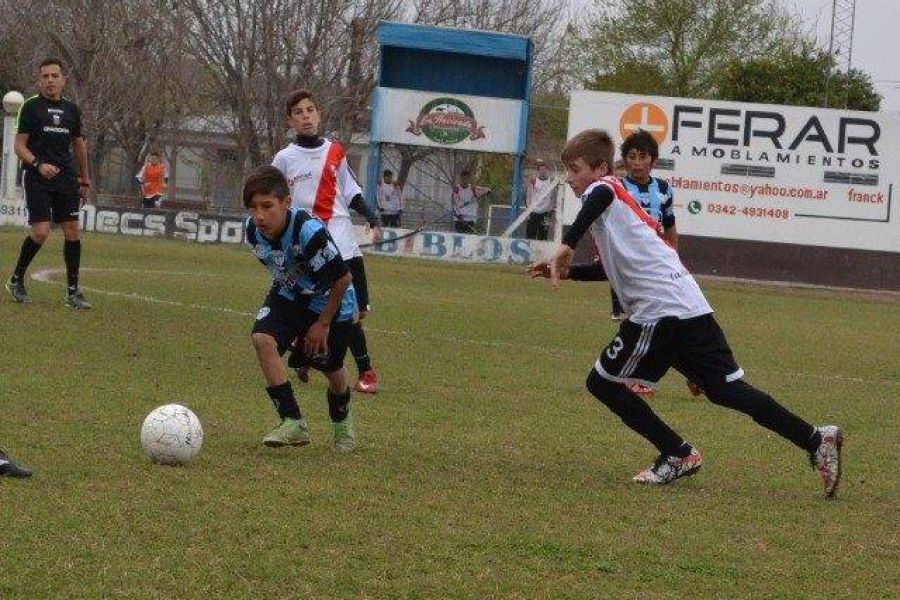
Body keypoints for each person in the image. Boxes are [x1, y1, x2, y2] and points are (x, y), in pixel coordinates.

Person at [528, 128, 843, 497]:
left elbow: (599, 195)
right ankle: (816, 438)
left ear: (599, 169)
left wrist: (566, 245)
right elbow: (611, 269)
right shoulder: (612, 209)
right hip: (687, 305)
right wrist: (571, 271)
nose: (569, 178)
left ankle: (677, 454)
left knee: (601, 383)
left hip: (660, 312)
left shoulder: (607, 189)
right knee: (727, 391)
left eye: (574, 169)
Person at [272, 89, 380, 394]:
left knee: (356, 311)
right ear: (290, 121)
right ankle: (311, 356)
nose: (305, 116)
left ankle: (365, 372)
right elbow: (273, 198)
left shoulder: (336, 151)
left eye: (310, 110)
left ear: (318, 115)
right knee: (314, 310)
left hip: (344, 244)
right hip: (309, 249)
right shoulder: (283, 159)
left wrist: (372, 218)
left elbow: (351, 191)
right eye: (298, 112)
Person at [243, 165, 356, 452]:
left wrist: (322, 324)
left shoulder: (309, 231)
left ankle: (342, 421)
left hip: (332, 299)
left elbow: (342, 278)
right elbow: (279, 266)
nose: (259, 216)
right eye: (253, 207)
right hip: (290, 293)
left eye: (267, 206)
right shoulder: (252, 232)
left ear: (286, 203)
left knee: (331, 369)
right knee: (262, 338)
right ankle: (292, 421)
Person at [7, 58, 91, 309]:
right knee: (41, 232)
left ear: (63, 80)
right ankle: (16, 279)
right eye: (45, 77)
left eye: (55, 76)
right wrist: (38, 164)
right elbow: (19, 145)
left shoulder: (71, 110)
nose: (50, 81)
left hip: (66, 178)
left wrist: (84, 179)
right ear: (40, 80)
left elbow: (78, 145)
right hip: (37, 177)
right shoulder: (30, 107)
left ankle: (73, 293)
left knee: (72, 231)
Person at [524, 159, 558, 241]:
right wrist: (528, 209)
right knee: (530, 235)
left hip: (545, 212)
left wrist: (552, 209)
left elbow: (553, 196)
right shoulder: (534, 181)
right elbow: (528, 195)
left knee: (542, 236)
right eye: (541, 169)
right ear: (538, 171)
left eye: (544, 169)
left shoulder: (551, 182)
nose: (543, 171)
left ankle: (540, 253)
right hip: (534, 211)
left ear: (547, 170)